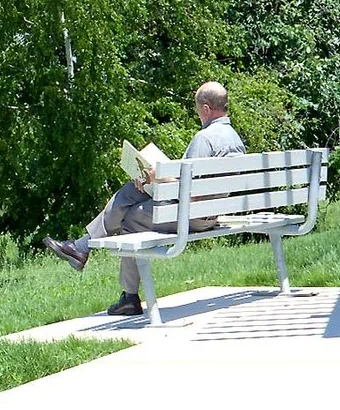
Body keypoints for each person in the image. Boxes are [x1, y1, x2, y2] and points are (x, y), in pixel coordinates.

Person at [44, 80, 244, 317]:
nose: (198, 114)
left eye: (198, 109)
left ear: (207, 108)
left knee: (131, 219)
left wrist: (156, 178)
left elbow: (190, 190)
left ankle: (125, 293)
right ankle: (81, 247)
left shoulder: (205, 139)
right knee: (133, 190)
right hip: (208, 213)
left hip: (192, 215)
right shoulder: (235, 140)